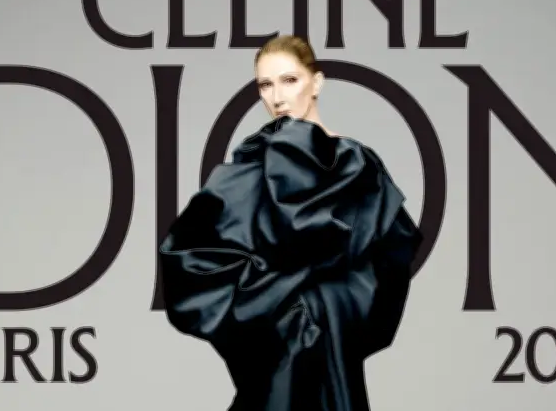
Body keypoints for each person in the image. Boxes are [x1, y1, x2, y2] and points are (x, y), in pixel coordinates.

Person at [158, 35, 423, 410]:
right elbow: (188, 260)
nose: (277, 97)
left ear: (317, 82)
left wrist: (332, 304)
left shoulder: (359, 167)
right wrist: (273, 302)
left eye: (289, 80)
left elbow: (390, 265)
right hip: (277, 359)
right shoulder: (246, 172)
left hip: (332, 347)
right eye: (265, 85)